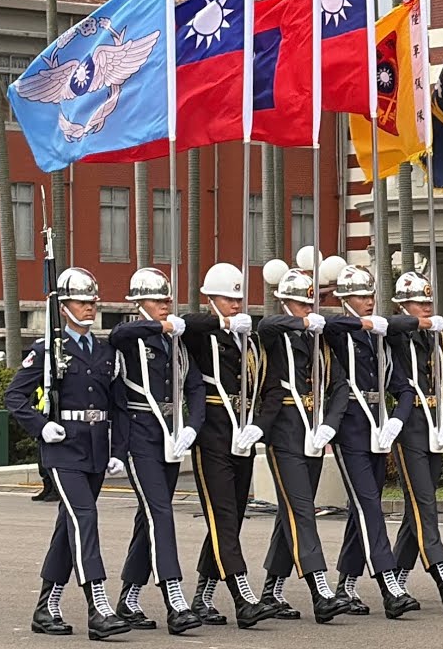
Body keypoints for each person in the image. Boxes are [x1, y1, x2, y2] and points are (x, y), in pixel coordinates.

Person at [4, 267, 131, 640]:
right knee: (85, 518)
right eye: (81, 302)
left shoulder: (107, 351)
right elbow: (14, 397)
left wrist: (118, 450)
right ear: (63, 307)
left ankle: (46, 607)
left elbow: (118, 406)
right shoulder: (48, 349)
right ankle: (99, 607)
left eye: (92, 302)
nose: (89, 308)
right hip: (63, 448)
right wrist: (41, 425)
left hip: (95, 448)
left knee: (68, 526)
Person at [180, 263, 278, 629]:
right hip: (213, 437)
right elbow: (188, 323)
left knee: (231, 519)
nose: (235, 305)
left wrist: (258, 427)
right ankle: (243, 597)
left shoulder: (249, 339)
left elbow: (271, 389)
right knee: (222, 516)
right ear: (211, 299)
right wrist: (222, 324)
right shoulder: (204, 333)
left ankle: (202, 597)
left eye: (238, 299)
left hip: (243, 437)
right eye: (226, 298)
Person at [253, 267, 352, 624]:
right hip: (284, 431)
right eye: (300, 303)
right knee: (302, 512)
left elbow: (339, 385)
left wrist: (329, 426)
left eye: (312, 303)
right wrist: (302, 324)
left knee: (293, 512)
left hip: (313, 431)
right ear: (285, 302)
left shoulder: (322, 340)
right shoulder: (277, 332)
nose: (308, 309)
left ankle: (271, 590)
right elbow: (267, 326)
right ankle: (321, 590)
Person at [110, 267, 205, 636]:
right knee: (161, 514)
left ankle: (129, 598)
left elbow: (194, 386)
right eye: (158, 300)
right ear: (139, 303)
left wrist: (192, 427)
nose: (166, 306)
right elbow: (119, 333)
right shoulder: (134, 335)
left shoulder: (175, 342)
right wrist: (159, 328)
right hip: (140, 435)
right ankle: (175, 598)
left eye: (168, 300)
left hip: (170, 435)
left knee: (147, 518)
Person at [323, 265, 419, 619]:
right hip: (349, 428)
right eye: (361, 296)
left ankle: (346, 586)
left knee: (363, 508)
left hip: (377, 429)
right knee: (369, 507)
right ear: (345, 298)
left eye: (370, 296)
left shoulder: (379, 335)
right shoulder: (340, 330)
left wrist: (397, 418)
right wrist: (367, 323)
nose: (368, 301)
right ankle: (390, 584)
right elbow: (330, 323)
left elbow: (404, 387)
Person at [384, 271, 443, 613]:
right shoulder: (394, 334)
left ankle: (396, 582)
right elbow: (390, 325)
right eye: (419, 302)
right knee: (425, 505)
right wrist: (416, 323)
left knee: (418, 507)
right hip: (407, 427)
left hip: (435, 426)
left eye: (429, 303)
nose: (426, 308)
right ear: (403, 305)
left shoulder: (436, 340)